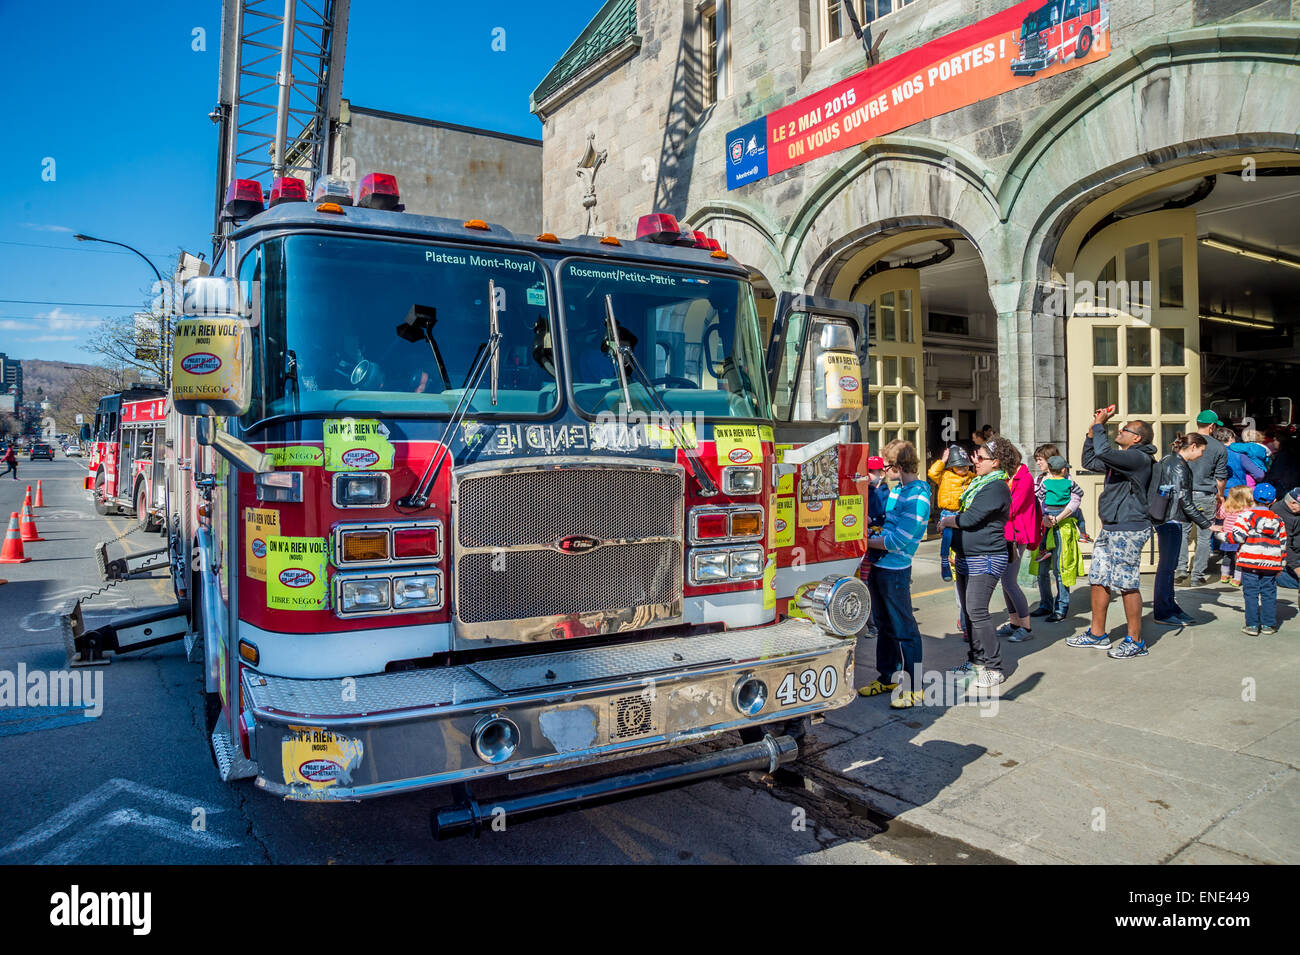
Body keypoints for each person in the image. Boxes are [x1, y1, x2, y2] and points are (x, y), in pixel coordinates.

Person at [1067, 408, 1158, 658]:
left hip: (1129, 528)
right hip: (1110, 527)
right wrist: (1091, 431)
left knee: (1127, 584)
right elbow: (1090, 460)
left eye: (1125, 429)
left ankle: (1135, 640)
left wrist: (1099, 424)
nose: (1120, 430)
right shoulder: (1122, 458)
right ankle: (1097, 634)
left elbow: (1104, 451)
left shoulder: (1138, 458)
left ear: (1137, 438)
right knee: (1098, 578)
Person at [938, 437, 1018, 690]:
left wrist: (948, 521)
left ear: (995, 462)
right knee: (969, 613)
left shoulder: (996, 487)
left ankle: (994, 668)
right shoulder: (979, 483)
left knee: (976, 611)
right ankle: (976, 661)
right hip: (966, 556)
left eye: (980, 457)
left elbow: (970, 519)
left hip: (986, 557)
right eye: (975, 455)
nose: (975, 461)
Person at [857, 440, 932, 709]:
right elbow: (888, 529)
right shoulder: (899, 490)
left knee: (905, 628)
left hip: (896, 570)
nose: (884, 471)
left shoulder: (918, 496)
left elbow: (899, 539)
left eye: (887, 466)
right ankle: (887, 676)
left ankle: (915, 686)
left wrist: (865, 539)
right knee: (885, 625)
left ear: (899, 467)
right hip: (881, 565)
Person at [1152, 433, 1211, 627]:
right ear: (1193, 446)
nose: (1201, 455)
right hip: (1172, 519)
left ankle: (1169, 606)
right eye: (1201, 450)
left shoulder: (1169, 459)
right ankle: (1163, 610)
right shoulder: (1178, 466)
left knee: (1168, 568)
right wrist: (1207, 523)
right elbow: (1183, 500)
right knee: (1167, 568)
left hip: (1167, 518)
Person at [1177, 410, 1229, 584]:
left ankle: (1180, 569)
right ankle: (1197, 575)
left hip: (1184, 494)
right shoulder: (1219, 447)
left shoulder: (1185, 441)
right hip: (1205, 494)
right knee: (1205, 535)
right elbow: (1220, 478)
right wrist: (1220, 496)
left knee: (1182, 533)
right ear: (1212, 426)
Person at [1031, 454, 1085, 622]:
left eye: (1041, 459)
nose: (1039, 463)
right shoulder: (1059, 481)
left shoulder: (1054, 481)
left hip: (1061, 527)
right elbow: (1037, 501)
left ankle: (1061, 607)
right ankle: (1046, 604)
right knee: (1042, 572)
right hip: (1046, 524)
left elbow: (1040, 497)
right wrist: (1044, 519)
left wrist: (1054, 518)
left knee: (1060, 570)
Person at [997, 447, 1042, 642]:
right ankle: (1015, 623)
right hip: (1007, 533)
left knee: (1009, 581)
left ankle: (1026, 627)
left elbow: (1013, 508)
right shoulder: (1008, 477)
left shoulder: (1024, 478)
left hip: (1017, 535)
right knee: (1006, 582)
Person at [1233, 483, 1288, 635]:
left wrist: (1223, 536)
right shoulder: (1279, 520)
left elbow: (1238, 537)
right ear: (1274, 501)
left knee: (1250, 592)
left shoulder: (1245, 516)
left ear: (1252, 498)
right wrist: (1281, 565)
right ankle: (1268, 625)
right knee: (1269, 592)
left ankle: (1251, 625)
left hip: (1249, 562)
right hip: (1271, 563)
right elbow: (1283, 544)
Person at [928, 444, 973, 583]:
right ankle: (944, 561)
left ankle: (960, 561)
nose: (963, 469)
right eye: (959, 466)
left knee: (962, 540)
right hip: (948, 512)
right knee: (947, 537)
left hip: (962, 512)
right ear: (952, 466)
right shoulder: (944, 476)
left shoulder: (971, 477)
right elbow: (932, 473)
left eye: (965, 466)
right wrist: (943, 459)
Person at [1217, 486, 1254, 586]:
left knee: (1227, 556)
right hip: (1241, 537)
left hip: (1227, 536)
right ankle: (1237, 579)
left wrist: (1221, 504)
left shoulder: (1227, 506)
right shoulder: (1248, 509)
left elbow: (1219, 516)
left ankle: (1224, 575)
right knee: (1239, 558)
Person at [1269, 487, 1300, 593]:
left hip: (1296, 553)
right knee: (1283, 577)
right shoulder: (1280, 516)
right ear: (1293, 504)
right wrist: (1297, 568)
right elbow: (1285, 548)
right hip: (1286, 560)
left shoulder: (1295, 511)